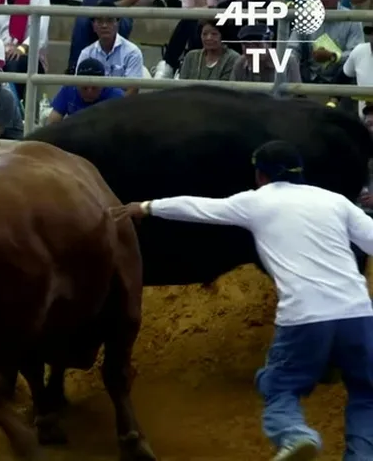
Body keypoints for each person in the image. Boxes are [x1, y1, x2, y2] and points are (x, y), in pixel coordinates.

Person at [113, 140, 373, 461]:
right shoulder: (335, 201)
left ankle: (293, 434)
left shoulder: (256, 202)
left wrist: (147, 206)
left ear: (261, 175)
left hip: (305, 315)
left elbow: (198, 208)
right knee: (366, 392)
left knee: (278, 386)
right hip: (358, 314)